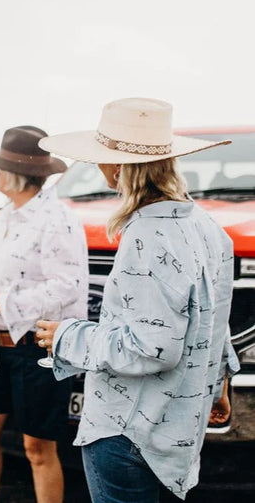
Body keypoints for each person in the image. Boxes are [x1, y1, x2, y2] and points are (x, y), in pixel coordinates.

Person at [35, 97, 240, 502]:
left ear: (118, 167)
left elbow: (153, 348)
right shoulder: (207, 227)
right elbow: (216, 319)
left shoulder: (146, 235)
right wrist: (219, 387)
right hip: (177, 428)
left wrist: (67, 336)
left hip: (124, 431)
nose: (99, 168)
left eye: (102, 158)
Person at [0, 126, 89, 503]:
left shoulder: (57, 219)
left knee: (38, 448)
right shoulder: (3, 218)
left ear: (17, 174)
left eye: (0, 166)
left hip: (40, 347)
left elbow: (66, 286)